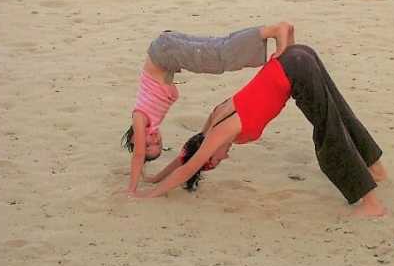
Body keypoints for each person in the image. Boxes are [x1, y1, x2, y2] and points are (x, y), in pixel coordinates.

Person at [132, 44, 388, 217]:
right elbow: (186, 155)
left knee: (328, 131)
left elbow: (189, 166)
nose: (225, 158)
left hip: (296, 69)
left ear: (209, 154)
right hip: (296, 56)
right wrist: (154, 177)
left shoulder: (220, 132)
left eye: (217, 161)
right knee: (338, 112)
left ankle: (371, 203)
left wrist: (149, 194)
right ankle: (375, 168)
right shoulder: (213, 120)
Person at [121, 22, 295, 194]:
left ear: (134, 140)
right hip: (167, 48)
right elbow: (184, 156)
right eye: (158, 143)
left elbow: (138, 155)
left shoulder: (140, 116)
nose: (153, 140)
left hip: (165, 52)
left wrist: (132, 189)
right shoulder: (151, 121)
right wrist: (154, 178)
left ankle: (273, 30)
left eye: (146, 144)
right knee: (219, 47)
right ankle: (284, 40)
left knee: (219, 56)